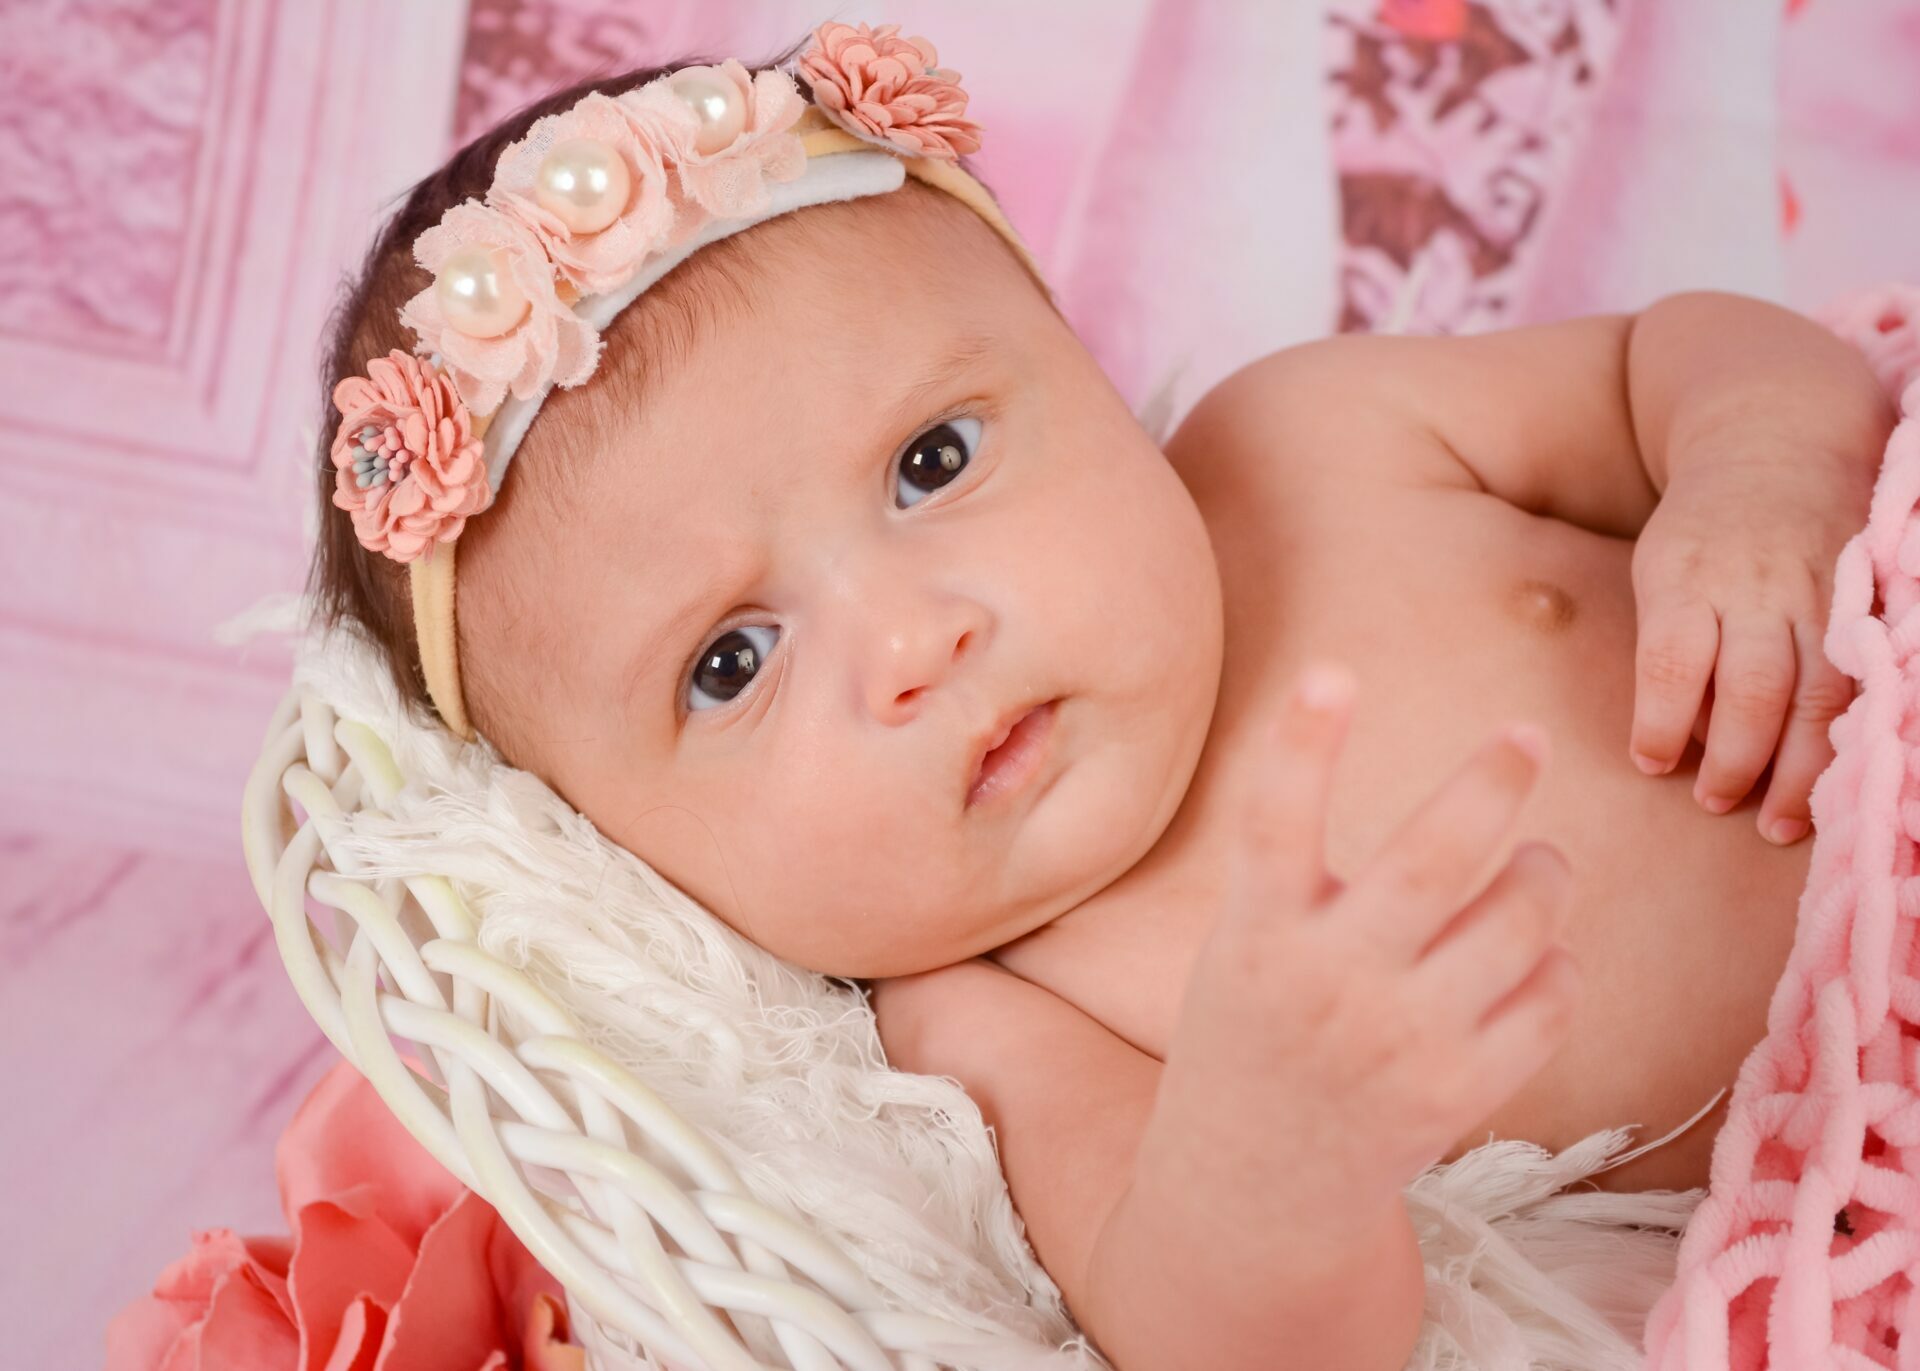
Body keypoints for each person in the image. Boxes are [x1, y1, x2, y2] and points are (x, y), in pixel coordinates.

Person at [307, 24, 1898, 1369]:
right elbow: (1233, 1337)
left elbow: (1685, 359)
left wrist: (1757, 472)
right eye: (732, 662)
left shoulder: (1312, 443)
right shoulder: (986, 1022)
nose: (916, 643)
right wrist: (1269, 1151)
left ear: (1078, 361)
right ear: (624, 849)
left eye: (934, 461)